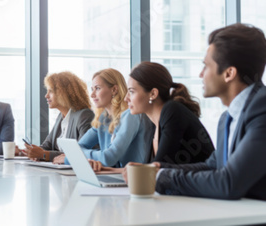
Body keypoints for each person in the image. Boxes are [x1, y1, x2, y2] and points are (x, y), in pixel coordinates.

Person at [140, 23, 266, 200]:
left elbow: (228, 183)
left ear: (229, 74)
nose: (200, 74)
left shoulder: (261, 109)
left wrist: (162, 178)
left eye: (206, 66)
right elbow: (213, 166)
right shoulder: (227, 119)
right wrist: (159, 169)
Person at [58, 68, 154, 169]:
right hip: (112, 175)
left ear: (114, 90)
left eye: (97, 88)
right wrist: (75, 155)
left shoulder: (131, 115)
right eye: (92, 89)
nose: (92, 94)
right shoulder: (103, 119)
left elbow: (109, 158)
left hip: (132, 180)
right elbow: (78, 148)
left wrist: (73, 156)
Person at [124, 61, 215, 164]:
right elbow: (156, 169)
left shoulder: (172, 111)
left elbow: (160, 168)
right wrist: (111, 170)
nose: (126, 98)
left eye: (131, 92)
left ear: (153, 94)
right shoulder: (155, 123)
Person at [22, 71, 94, 162]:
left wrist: (44, 155)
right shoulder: (61, 116)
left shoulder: (84, 115)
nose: (46, 96)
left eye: (51, 91)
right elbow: (46, 146)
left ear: (64, 93)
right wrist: (30, 151)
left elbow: (82, 153)